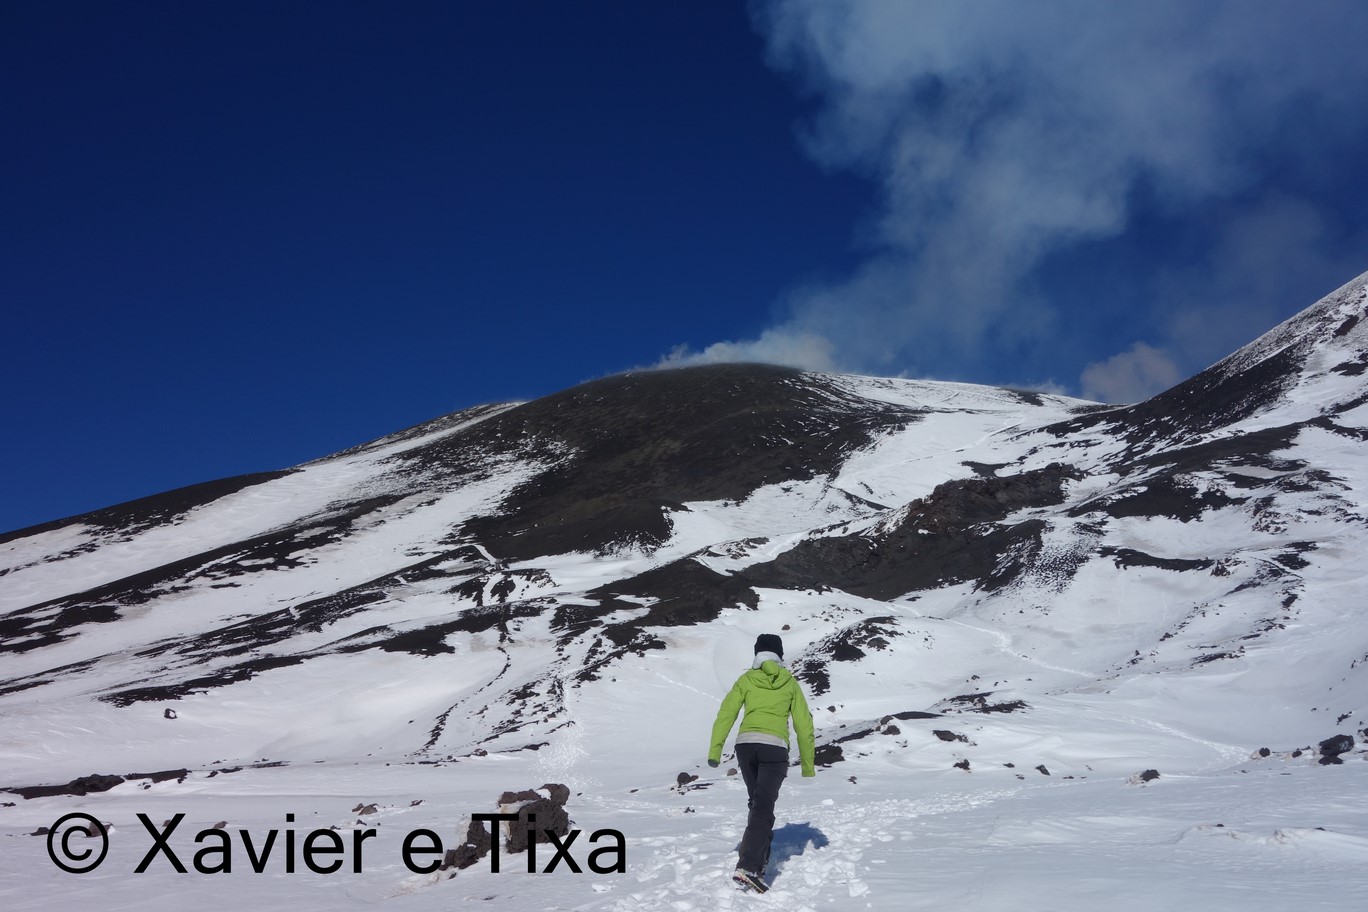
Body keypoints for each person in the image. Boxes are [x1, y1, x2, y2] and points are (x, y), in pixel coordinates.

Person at [707, 633, 816, 891]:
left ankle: (758, 857)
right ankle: (749, 866)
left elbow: (726, 713)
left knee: (757, 802)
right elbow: (804, 723)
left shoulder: (746, 679)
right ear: (779, 654)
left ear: (757, 654)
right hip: (774, 748)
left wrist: (715, 751)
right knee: (763, 805)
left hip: (746, 746)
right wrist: (807, 764)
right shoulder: (789, 682)